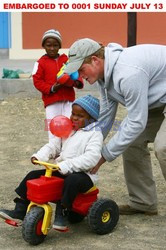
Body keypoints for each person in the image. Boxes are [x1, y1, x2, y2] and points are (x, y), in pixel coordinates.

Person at [64, 38, 166, 215]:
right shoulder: (104, 77)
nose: (80, 76)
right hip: (159, 100)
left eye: (81, 69)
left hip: (159, 100)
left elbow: (136, 121)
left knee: (163, 146)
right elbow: (105, 117)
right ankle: (143, 202)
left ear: (95, 60)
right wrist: (85, 146)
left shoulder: (128, 73)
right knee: (131, 141)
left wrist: (103, 156)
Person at [0, 95, 103, 231]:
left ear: (92, 118)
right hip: (61, 170)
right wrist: (39, 156)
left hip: (84, 176)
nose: (74, 118)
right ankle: (20, 209)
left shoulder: (94, 134)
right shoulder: (68, 129)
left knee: (72, 180)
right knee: (33, 176)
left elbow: (91, 157)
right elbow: (53, 146)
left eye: (80, 116)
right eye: (73, 114)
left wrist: (67, 165)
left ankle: (63, 212)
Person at [32, 29, 83, 140]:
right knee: (53, 125)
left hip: (68, 99)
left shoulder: (66, 60)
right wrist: (51, 88)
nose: (52, 48)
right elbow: (37, 81)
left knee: (70, 124)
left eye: (55, 45)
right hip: (51, 101)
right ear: (43, 46)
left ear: (59, 46)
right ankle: (54, 149)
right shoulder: (40, 63)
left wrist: (77, 82)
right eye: (48, 45)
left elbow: (76, 72)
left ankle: (67, 148)